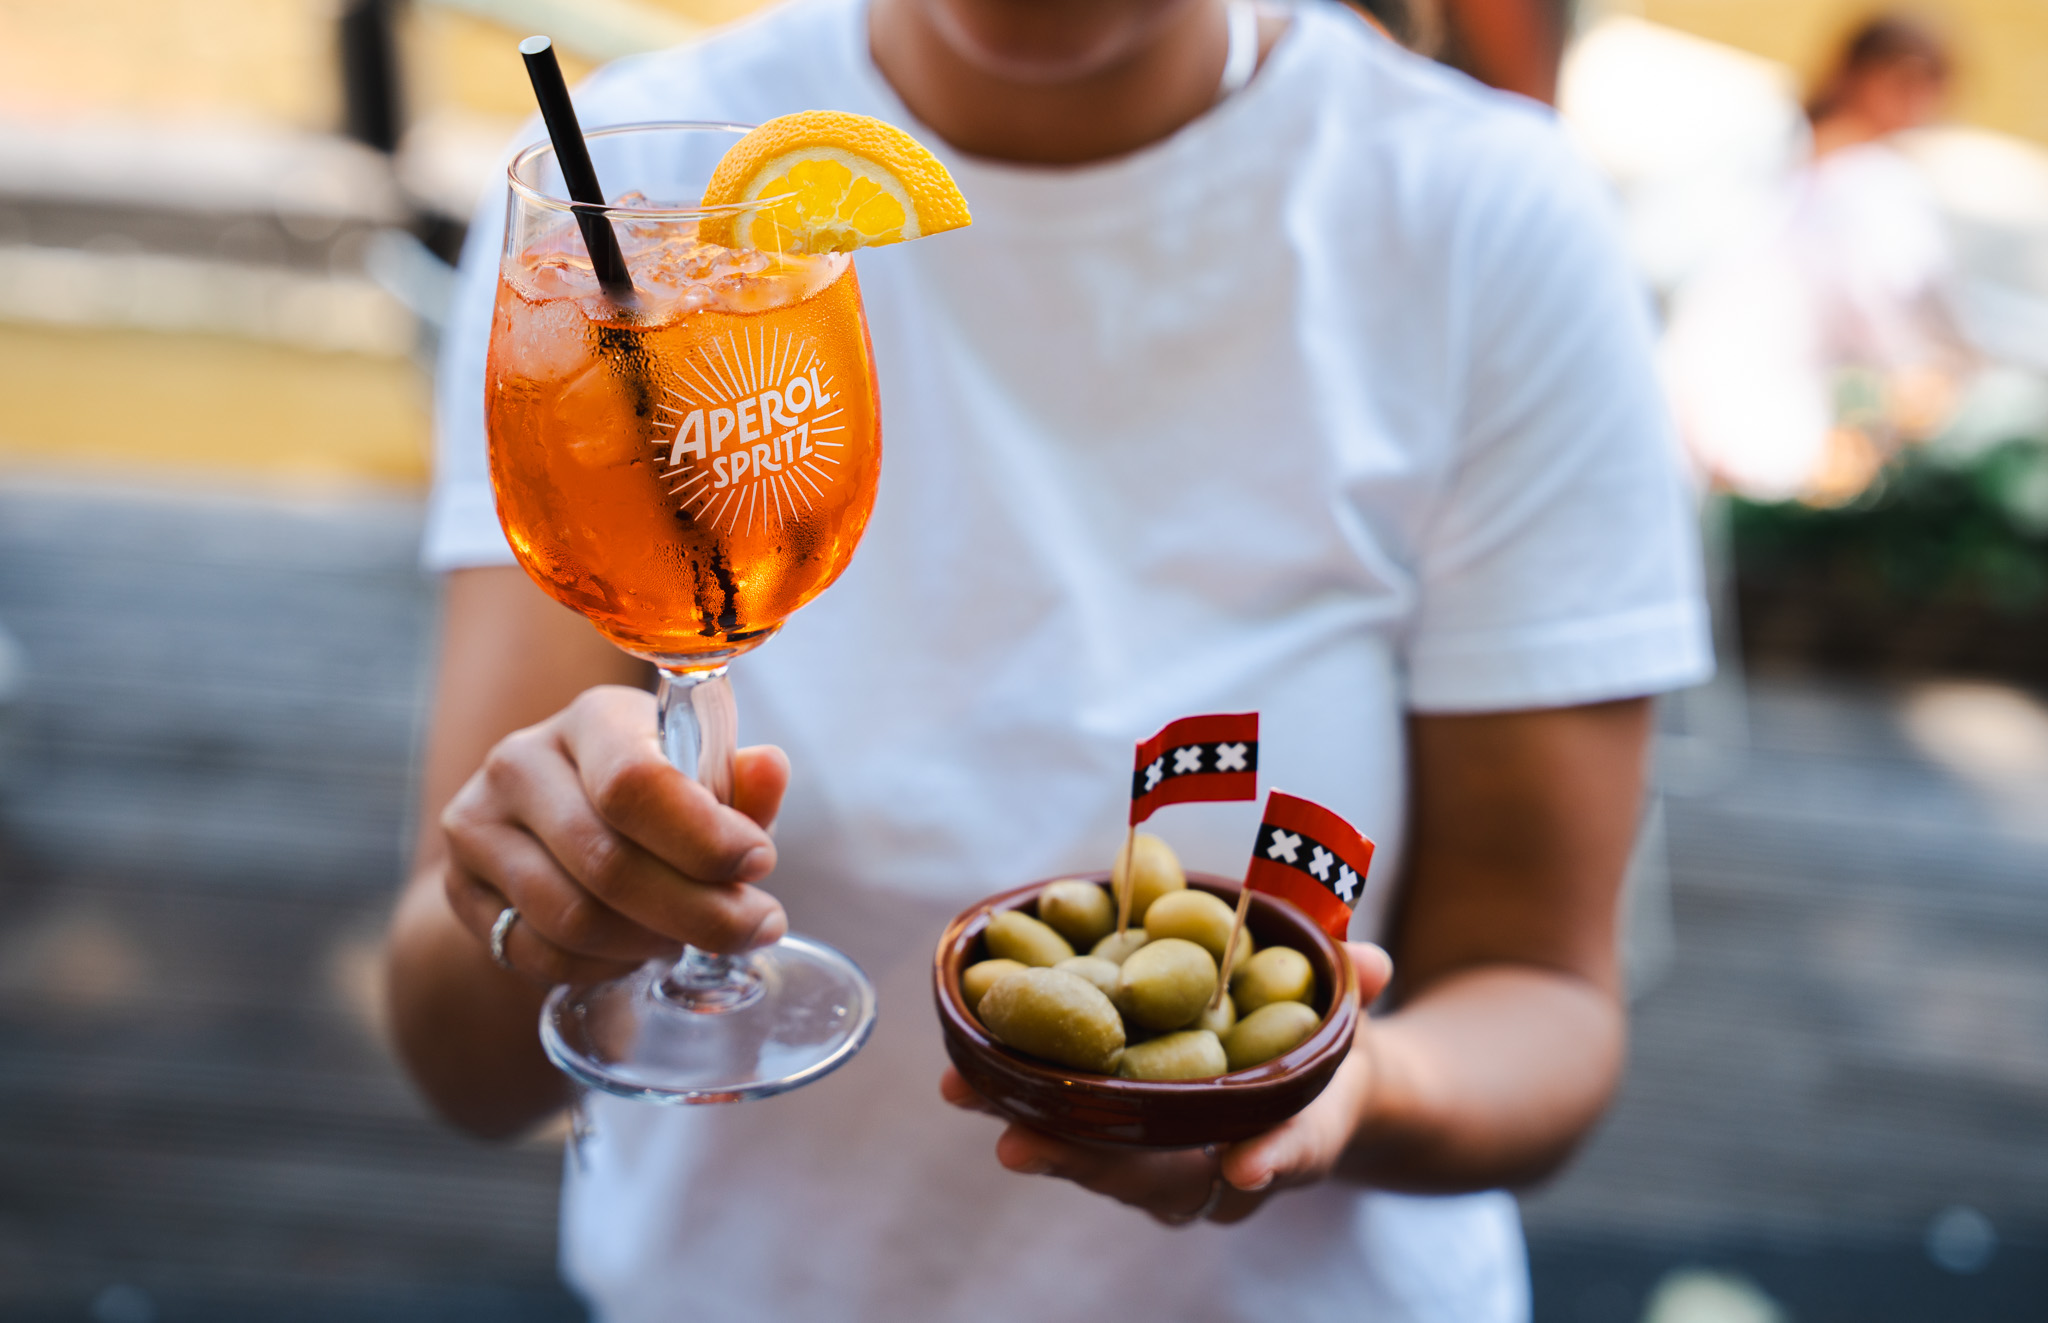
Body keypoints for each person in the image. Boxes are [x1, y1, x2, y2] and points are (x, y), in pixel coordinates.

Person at [384, 1, 1711, 1319]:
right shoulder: (618, 192)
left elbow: (1542, 1006)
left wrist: (1340, 1088)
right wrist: (539, 905)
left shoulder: (1484, 216)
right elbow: (460, 1065)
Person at [1663, 13, 1969, 503]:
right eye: (1902, 80)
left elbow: (1917, 357)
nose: (1913, 100)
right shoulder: (1777, 143)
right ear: (1855, 71)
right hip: (1709, 410)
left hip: (1758, 429)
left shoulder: (1879, 187)